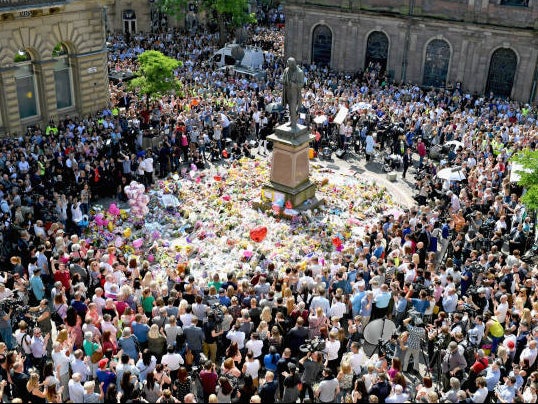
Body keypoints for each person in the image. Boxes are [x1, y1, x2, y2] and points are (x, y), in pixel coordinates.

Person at [281, 57, 304, 130]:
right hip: (287, 91)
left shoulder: (299, 72)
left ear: (292, 64)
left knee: (293, 108)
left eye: (288, 64)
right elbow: (283, 78)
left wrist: (294, 85)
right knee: (290, 108)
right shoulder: (286, 70)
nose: (287, 65)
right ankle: (291, 122)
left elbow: (301, 84)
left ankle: (294, 123)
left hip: (295, 93)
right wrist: (283, 81)